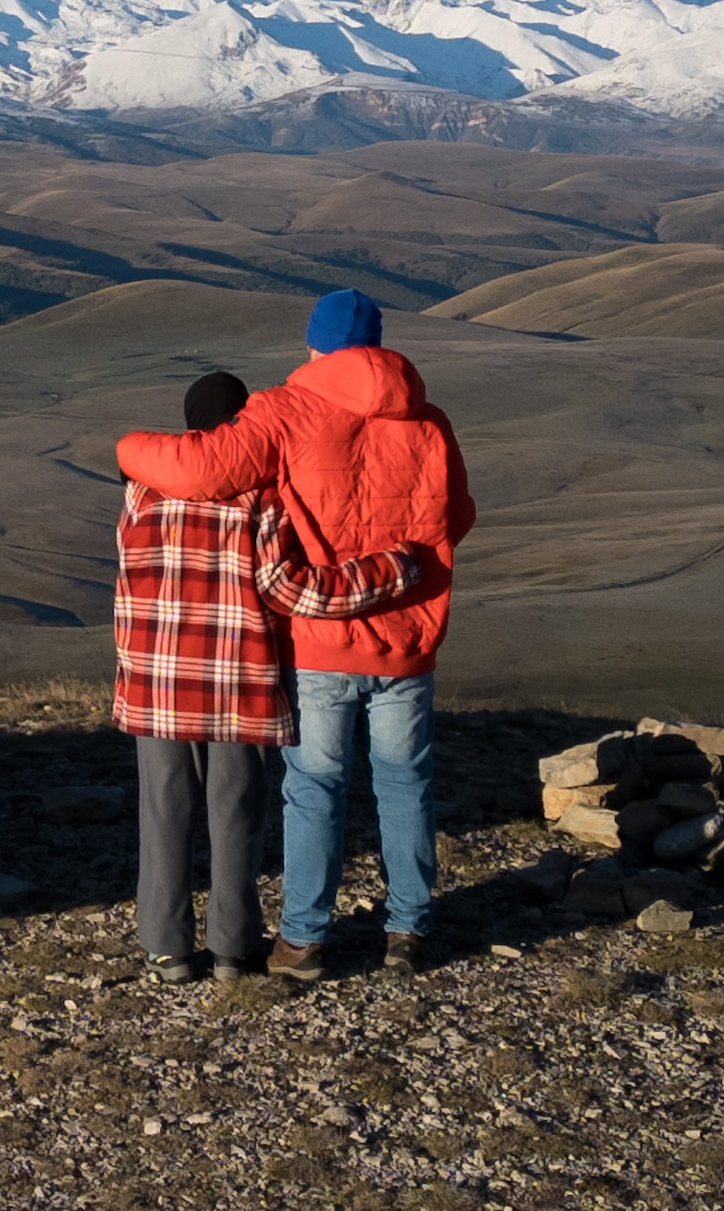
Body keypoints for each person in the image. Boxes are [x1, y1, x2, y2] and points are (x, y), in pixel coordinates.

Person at [115, 290, 474, 980]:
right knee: (405, 784)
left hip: (316, 641)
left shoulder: (283, 411)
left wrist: (127, 446)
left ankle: (303, 942)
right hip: (407, 635)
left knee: (315, 787)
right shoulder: (429, 422)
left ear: (313, 344)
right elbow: (456, 516)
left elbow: (195, 469)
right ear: (376, 345)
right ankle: (407, 932)